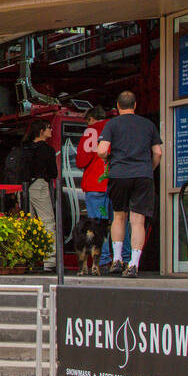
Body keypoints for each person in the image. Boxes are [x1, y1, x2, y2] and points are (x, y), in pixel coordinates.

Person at [97, 90, 163, 278]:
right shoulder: (148, 125)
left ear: (117, 107)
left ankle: (117, 260)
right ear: (135, 105)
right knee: (138, 221)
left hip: (119, 174)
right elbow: (158, 152)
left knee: (118, 216)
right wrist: (149, 169)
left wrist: (109, 159)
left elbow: (101, 150)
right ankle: (133, 264)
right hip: (143, 175)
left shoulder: (112, 124)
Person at [76, 106, 113, 271]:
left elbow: (81, 160)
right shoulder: (116, 127)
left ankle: (103, 260)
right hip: (115, 183)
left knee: (98, 225)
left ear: (91, 119)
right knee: (120, 222)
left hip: (95, 183)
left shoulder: (91, 131)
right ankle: (123, 258)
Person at [24, 120, 58, 271]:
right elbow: (53, 173)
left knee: (27, 223)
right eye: (49, 128)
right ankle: (49, 261)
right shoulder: (47, 150)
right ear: (41, 131)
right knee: (47, 222)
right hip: (39, 185)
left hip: (23, 187)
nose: (51, 130)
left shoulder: (24, 148)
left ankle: (27, 258)